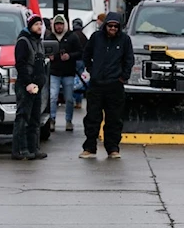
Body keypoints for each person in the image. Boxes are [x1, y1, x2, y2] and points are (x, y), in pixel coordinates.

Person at [80, 12, 134, 159]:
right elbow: (86, 54)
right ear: (105, 25)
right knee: (92, 117)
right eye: (110, 25)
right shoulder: (96, 38)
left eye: (116, 26)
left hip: (115, 86)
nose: (113, 28)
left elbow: (129, 60)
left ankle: (113, 149)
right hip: (96, 85)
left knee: (114, 119)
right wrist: (92, 70)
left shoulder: (125, 40)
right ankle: (90, 148)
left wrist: (123, 77)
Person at [12, 14, 48, 160]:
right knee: (22, 118)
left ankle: (34, 148)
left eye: (40, 24)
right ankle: (20, 150)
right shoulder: (23, 41)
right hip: (25, 85)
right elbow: (20, 64)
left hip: (37, 86)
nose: (39, 26)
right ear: (29, 26)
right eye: (36, 24)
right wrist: (28, 83)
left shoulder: (38, 42)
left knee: (35, 119)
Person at [45, 15, 82, 132]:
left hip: (68, 72)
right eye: (57, 24)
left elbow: (80, 52)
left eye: (61, 24)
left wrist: (70, 56)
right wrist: (48, 57)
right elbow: (42, 52)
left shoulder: (72, 37)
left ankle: (68, 120)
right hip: (54, 72)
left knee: (69, 98)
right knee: (53, 96)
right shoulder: (49, 37)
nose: (59, 26)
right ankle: (52, 119)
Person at [72, 18, 89, 109]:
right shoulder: (84, 36)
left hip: (73, 61)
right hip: (81, 61)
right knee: (79, 81)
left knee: (73, 81)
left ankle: (74, 100)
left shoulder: (72, 36)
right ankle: (78, 101)